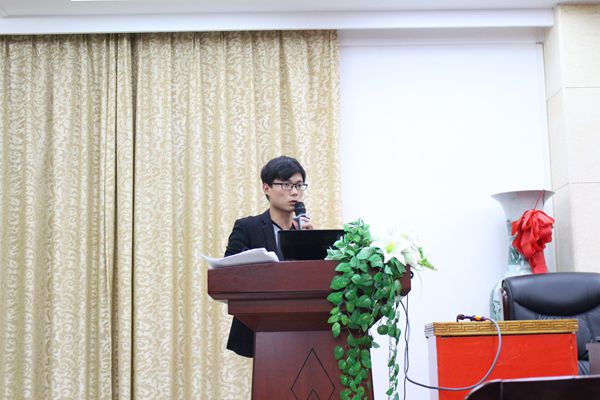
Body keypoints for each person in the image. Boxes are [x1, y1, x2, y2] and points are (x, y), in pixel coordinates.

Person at [224, 155, 314, 357]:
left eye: (299, 185)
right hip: (260, 325)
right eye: (286, 185)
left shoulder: (305, 231)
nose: (294, 192)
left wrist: (311, 243)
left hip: (302, 327)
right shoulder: (247, 227)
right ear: (266, 188)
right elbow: (228, 272)